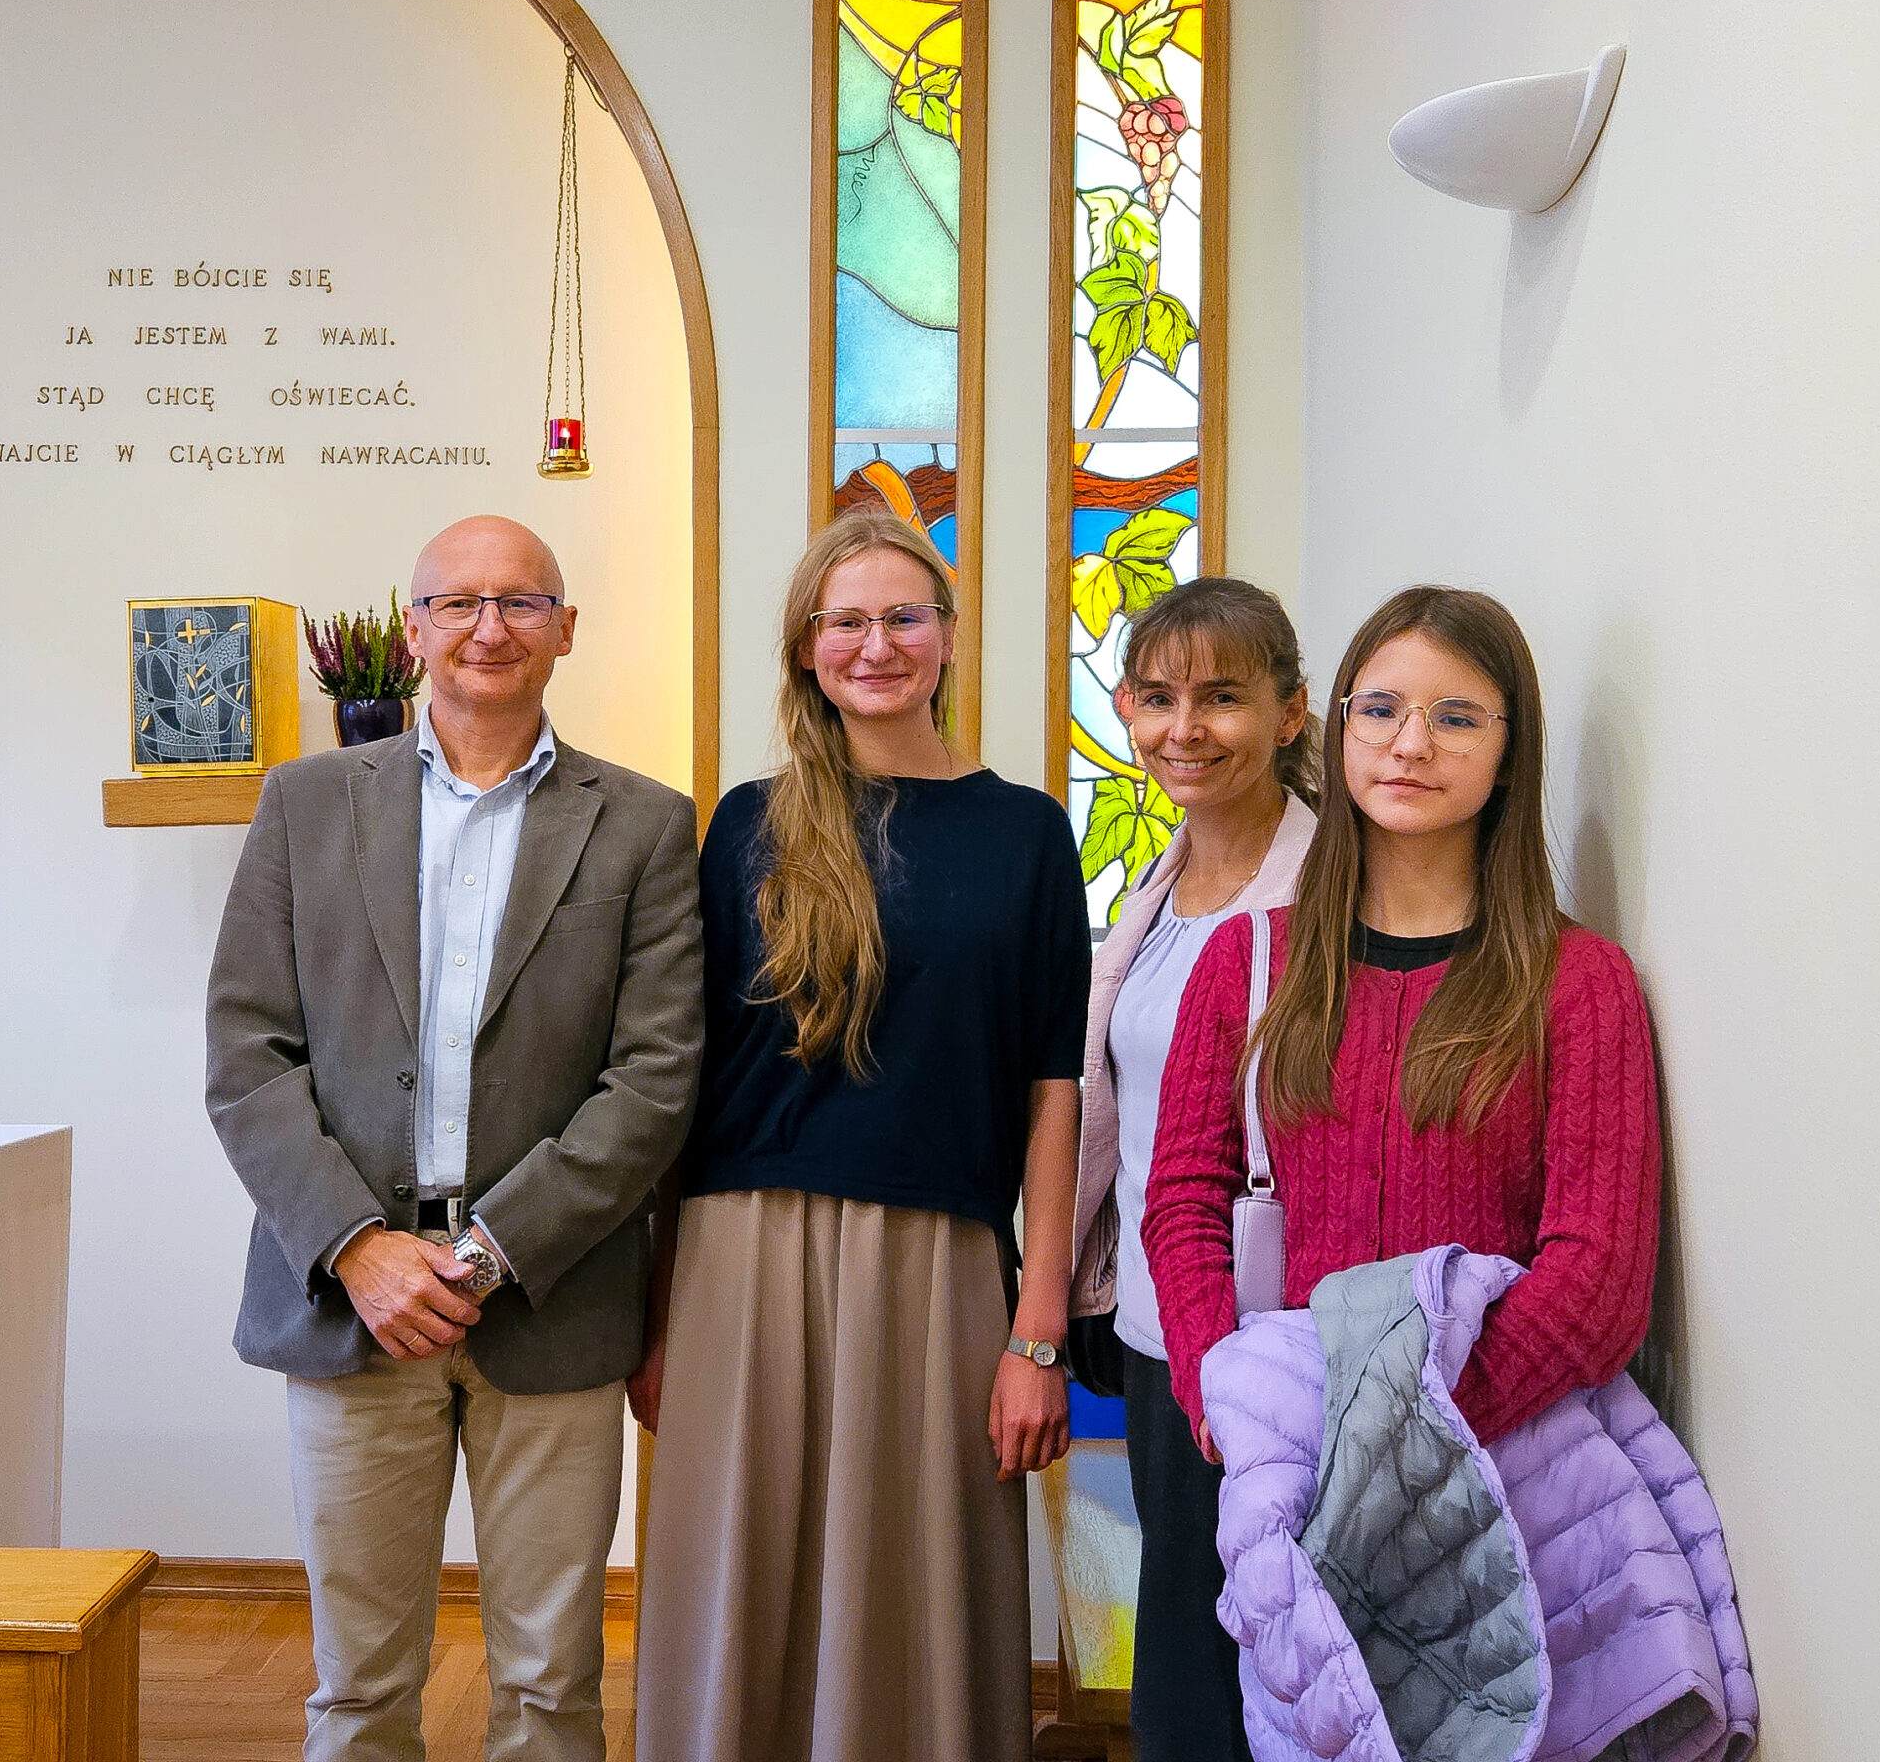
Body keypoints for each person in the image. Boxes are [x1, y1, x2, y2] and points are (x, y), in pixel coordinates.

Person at [204, 514, 704, 1762]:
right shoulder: (307, 804)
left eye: (522, 601)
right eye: (459, 602)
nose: (490, 627)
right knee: (358, 1685)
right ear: (412, 627)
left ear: (565, 628)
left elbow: (654, 1081)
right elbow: (247, 1055)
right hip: (350, 1305)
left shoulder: (643, 823)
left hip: (551, 1298)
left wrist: (484, 1256)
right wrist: (358, 1247)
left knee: (549, 1684)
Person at [633, 511, 1090, 1762]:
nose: (875, 644)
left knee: (916, 1582)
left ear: (947, 636)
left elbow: (1055, 1091)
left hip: (939, 1264)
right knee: (737, 1576)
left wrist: (1037, 1330)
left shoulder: (1026, 833)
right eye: (845, 621)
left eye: (902, 616)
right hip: (740, 1255)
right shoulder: (747, 824)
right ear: (806, 649)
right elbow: (686, 1085)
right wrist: (659, 1312)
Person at [1144, 584, 1661, 1471]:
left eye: (1456, 719)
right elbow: (1184, 1203)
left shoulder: (1579, 983)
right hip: (1282, 1443)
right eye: (1380, 710)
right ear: (1340, 729)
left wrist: (1403, 1430)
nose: (1410, 745)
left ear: (1508, 754)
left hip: (1494, 1464)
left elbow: (1596, 1284)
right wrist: (1229, 1392)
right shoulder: (1246, 960)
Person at [1068, 577, 1317, 1762]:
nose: (1184, 728)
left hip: (1280, 1333)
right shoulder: (1156, 890)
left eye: (1220, 696)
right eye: (1158, 697)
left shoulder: (1332, 889)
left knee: (1282, 1655)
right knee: (1183, 1647)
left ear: (1289, 712)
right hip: (1162, 1325)